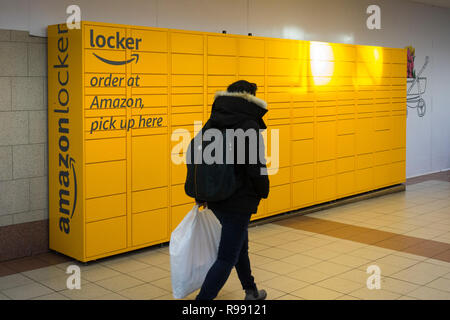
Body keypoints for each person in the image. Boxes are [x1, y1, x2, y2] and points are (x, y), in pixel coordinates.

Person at [194, 80, 270, 300]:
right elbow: (255, 166)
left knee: (239, 246)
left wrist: (202, 194)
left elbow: (200, 158)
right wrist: (262, 190)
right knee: (227, 257)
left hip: (216, 196)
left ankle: (251, 291)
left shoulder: (212, 121)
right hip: (239, 199)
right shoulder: (248, 124)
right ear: (250, 97)